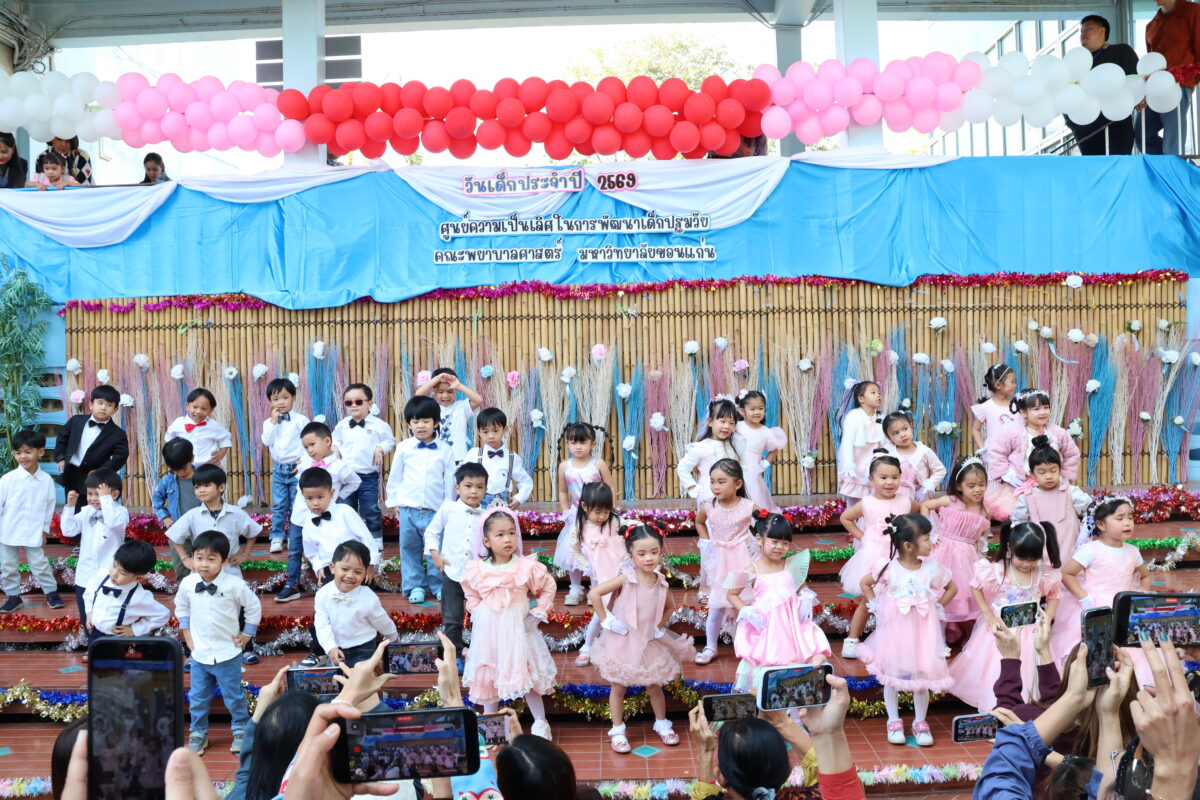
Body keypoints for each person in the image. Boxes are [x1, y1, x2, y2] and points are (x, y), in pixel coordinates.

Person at [589, 523, 694, 753]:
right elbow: (595, 593)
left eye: (654, 552)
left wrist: (659, 626)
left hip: (648, 640)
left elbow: (669, 607)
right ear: (631, 554)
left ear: (661, 552)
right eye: (642, 553)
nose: (649, 558)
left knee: (654, 685)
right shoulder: (626, 578)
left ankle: (661, 723)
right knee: (618, 686)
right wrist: (606, 619)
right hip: (623, 640)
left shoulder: (661, 581)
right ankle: (618, 729)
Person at [858, 514, 956, 746]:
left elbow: (952, 588)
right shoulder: (889, 568)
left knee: (922, 675)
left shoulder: (932, 568)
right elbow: (865, 583)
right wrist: (876, 606)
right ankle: (893, 720)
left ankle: (920, 721)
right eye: (926, 538)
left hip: (923, 634)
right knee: (892, 675)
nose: (931, 542)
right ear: (908, 545)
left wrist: (937, 606)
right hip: (896, 633)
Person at [461, 507, 557, 740]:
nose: (508, 539)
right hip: (489, 634)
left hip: (519, 632)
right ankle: (491, 726)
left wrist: (538, 612)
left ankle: (540, 722)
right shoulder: (477, 569)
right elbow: (470, 593)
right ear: (486, 541)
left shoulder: (525, 566)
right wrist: (477, 610)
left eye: (512, 533)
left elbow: (548, 586)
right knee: (489, 676)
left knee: (528, 674)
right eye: (500, 534)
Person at [948, 521, 1062, 712]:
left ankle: (1025, 710)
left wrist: (1047, 618)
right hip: (1002, 632)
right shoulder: (997, 571)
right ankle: (999, 709)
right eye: (1022, 558)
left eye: (1033, 559)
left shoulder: (1042, 574)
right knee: (998, 668)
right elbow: (975, 586)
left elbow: (1054, 595)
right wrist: (987, 613)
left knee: (1029, 669)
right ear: (1010, 549)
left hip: (1030, 632)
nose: (1026, 564)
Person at [164, 464, 261, 662]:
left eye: (206, 485)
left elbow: (253, 531)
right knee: (199, 610)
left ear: (221, 487)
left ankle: (245, 648)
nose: (201, 490)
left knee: (238, 608)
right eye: (197, 486)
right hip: (202, 571)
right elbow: (174, 535)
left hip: (229, 570)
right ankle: (195, 652)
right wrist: (185, 558)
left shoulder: (235, 513)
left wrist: (245, 553)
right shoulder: (192, 515)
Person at [177, 530, 262, 755]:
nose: (204, 564)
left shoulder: (234, 584)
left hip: (227, 653)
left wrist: (247, 634)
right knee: (197, 697)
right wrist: (186, 632)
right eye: (199, 558)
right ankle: (198, 733)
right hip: (200, 653)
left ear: (224, 561)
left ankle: (240, 729)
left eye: (211, 559)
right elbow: (181, 607)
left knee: (233, 696)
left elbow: (253, 607)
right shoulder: (188, 583)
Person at [728, 511, 830, 692]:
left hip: (791, 622)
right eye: (774, 542)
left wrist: (806, 594)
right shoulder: (752, 569)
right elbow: (731, 594)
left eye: (785, 543)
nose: (779, 547)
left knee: (795, 655)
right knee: (769, 657)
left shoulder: (791, 565)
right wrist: (746, 610)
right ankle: (765, 700)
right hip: (767, 624)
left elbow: (800, 584)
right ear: (759, 539)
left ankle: (794, 702)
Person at [838, 451, 918, 658]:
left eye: (894, 477)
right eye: (883, 477)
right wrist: (863, 536)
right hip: (875, 556)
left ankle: (896, 642)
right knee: (868, 602)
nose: (889, 482)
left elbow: (921, 511)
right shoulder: (867, 502)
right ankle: (852, 640)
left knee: (900, 599)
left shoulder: (905, 501)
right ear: (872, 478)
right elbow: (846, 518)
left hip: (901, 556)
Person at [1053, 496, 1149, 663]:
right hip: (1096, 606)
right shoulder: (1091, 550)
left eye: (1130, 517)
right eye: (1120, 518)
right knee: (1095, 652)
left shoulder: (1133, 551)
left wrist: (1142, 597)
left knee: (1128, 651)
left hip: (1124, 607)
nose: (1127, 523)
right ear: (1101, 525)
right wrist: (1084, 599)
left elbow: (1145, 575)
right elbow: (1066, 573)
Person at [385, 396, 455, 605]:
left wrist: (448, 507)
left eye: (425, 421)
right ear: (409, 424)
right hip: (408, 509)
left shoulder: (445, 450)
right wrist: (394, 501)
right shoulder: (404, 448)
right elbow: (395, 476)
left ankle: (439, 586)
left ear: (436, 422)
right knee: (409, 549)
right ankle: (415, 585)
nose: (420, 426)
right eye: (415, 421)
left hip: (435, 511)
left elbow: (449, 480)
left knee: (436, 549)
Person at [693, 458, 759, 666]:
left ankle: (750, 646)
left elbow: (765, 521)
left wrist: (757, 541)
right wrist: (706, 542)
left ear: (738, 484)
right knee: (716, 606)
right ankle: (710, 646)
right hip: (719, 560)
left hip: (742, 559)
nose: (715, 486)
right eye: (712, 481)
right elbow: (699, 522)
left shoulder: (748, 506)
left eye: (721, 482)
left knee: (745, 604)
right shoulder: (708, 506)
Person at [924, 456, 995, 640]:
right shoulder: (950, 500)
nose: (978, 489)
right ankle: (935, 636)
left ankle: (961, 633)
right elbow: (925, 506)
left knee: (965, 593)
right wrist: (930, 532)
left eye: (982, 484)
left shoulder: (985, 509)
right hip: (943, 552)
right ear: (959, 485)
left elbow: (984, 531)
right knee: (941, 589)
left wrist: (981, 546)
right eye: (971, 486)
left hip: (968, 557)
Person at [985, 388, 1080, 521]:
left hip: (1050, 482)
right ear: (1023, 412)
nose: (1043, 412)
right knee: (1025, 517)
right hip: (1021, 484)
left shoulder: (1057, 432)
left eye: (1046, 407)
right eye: (1036, 409)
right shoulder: (1013, 432)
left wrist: (1063, 476)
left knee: (1052, 516)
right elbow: (996, 452)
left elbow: (1072, 454)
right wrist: (1010, 475)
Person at [425, 462, 490, 654]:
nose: (473, 491)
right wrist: (435, 555)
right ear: (457, 488)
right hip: (452, 574)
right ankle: (454, 657)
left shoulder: (487, 516)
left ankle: (480, 654)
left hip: (478, 576)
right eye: (468, 486)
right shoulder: (448, 509)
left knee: (480, 616)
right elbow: (431, 532)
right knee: (452, 619)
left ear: (486, 490)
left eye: (479, 487)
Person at [0, 429, 63, 614]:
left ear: (40, 452)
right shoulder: (7, 480)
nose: (23, 456)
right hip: (8, 530)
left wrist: (44, 530)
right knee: (8, 566)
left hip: (34, 530)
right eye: (18, 452)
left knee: (39, 564)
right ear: (13, 454)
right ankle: (13, 597)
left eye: (28, 452)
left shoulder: (46, 481)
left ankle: (51, 593)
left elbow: (49, 507)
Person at [311, 540, 398, 668]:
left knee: (364, 678)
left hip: (364, 648)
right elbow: (321, 625)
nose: (350, 576)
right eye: (345, 569)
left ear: (365, 573)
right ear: (332, 567)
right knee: (338, 678)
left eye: (358, 572)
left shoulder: (368, 597)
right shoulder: (323, 594)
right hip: (336, 649)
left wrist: (392, 636)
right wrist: (330, 648)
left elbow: (381, 619)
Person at [556, 421, 615, 605]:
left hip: (597, 516)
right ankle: (575, 589)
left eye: (583, 442)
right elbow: (563, 491)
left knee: (595, 550)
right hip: (576, 515)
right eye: (573, 442)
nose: (578, 447)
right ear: (567, 443)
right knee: (573, 551)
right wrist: (566, 511)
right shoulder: (565, 466)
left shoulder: (598, 464)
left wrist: (610, 510)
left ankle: (595, 588)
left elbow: (610, 488)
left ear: (592, 444)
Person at [1064, 15, 1140, 155]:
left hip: (1117, 120)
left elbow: (1135, 80)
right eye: (1081, 32)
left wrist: (1139, 99)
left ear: (1102, 30)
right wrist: (1074, 125)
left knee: (1119, 162)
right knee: (1094, 165)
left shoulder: (1121, 51)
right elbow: (1065, 91)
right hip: (1086, 126)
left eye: (1088, 29)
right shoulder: (1076, 61)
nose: (1083, 34)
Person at [60, 469, 128, 624]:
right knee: (86, 618)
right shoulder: (86, 512)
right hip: (85, 576)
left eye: (98, 494)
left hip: (109, 577)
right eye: (90, 494)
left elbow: (112, 522)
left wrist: (105, 500)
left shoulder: (120, 512)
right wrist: (70, 507)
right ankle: (90, 639)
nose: (93, 499)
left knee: (107, 618)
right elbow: (68, 530)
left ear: (114, 495)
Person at [1010, 435, 1092, 562]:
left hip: (1072, 556)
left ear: (1060, 470)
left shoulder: (1071, 492)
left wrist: (1084, 535)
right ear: (1032, 474)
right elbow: (1019, 524)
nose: (1048, 476)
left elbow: (1091, 511)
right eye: (1042, 472)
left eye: (1053, 471)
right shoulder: (1026, 498)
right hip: (1039, 560)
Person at [572, 482, 626, 667]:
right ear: (584, 506)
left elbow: (627, 536)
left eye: (606, 511)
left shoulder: (614, 522)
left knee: (623, 608)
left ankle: (620, 646)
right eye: (597, 512)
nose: (602, 516)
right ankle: (587, 647)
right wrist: (587, 565)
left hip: (621, 572)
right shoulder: (580, 528)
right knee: (601, 611)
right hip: (600, 576)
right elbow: (575, 550)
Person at [332, 382, 395, 542]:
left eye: (358, 401)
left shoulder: (379, 425)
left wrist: (380, 448)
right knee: (346, 507)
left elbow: (390, 440)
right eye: (349, 402)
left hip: (368, 476)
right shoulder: (342, 425)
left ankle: (375, 536)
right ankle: (349, 537)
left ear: (370, 403)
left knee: (370, 508)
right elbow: (335, 439)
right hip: (346, 476)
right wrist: (335, 447)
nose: (353, 405)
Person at [53, 384, 128, 511]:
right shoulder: (76, 421)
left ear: (115, 410)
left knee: (93, 510)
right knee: (72, 507)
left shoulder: (118, 433)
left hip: (95, 477)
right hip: (72, 472)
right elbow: (62, 438)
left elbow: (120, 457)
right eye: (100, 403)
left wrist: (101, 471)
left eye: (109, 405)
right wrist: (60, 457)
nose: (103, 408)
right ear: (91, 404)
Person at [1141, 0, 1200, 155]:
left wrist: (1190, 81)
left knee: (1173, 139)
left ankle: (1173, 166)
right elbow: (1151, 60)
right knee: (1142, 134)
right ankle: (1171, 165)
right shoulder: (1151, 25)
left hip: (1178, 85)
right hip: (1154, 87)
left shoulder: (1193, 11)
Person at [82, 540, 168, 644]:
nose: (114, 574)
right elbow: (89, 592)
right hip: (94, 634)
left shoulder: (139, 596)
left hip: (117, 640)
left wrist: (134, 630)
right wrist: (89, 612)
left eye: (122, 573)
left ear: (138, 578)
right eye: (114, 566)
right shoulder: (102, 576)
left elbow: (162, 615)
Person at [261, 377, 309, 557]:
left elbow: (309, 442)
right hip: (279, 469)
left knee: (297, 504)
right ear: (270, 401)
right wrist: (273, 422)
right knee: (279, 505)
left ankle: (294, 536)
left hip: (297, 469)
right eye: (275, 399)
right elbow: (267, 441)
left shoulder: (301, 420)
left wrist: (304, 461)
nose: (280, 402)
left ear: (293, 398)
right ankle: (277, 536)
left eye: (285, 397)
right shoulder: (268, 423)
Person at [462, 408, 533, 508]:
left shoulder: (512, 458)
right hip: (477, 505)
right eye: (485, 432)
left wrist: (519, 498)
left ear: (505, 429)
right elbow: (461, 478)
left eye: (495, 431)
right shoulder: (474, 454)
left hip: (503, 504)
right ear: (479, 432)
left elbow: (526, 481)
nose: (491, 436)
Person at [152, 439, 202, 581]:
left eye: (183, 469)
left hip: (202, 530)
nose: (180, 473)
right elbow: (157, 500)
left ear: (192, 459)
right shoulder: (167, 481)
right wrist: (165, 517)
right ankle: (183, 592)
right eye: (175, 470)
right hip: (178, 531)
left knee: (205, 565)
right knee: (181, 568)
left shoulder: (203, 478)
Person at [416, 367, 484, 464]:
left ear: (455, 390)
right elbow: (418, 396)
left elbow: (478, 400)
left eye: (450, 391)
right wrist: (436, 379)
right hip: (436, 458)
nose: (445, 396)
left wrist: (459, 385)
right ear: (433, 390)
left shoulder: (462, 406)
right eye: (440, 392)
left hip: (458, 458)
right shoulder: (431, 407)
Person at [734, 390, 787, 511]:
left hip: (752, 470)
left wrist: (766, 462)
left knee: (753, 495)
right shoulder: (737, 427)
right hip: (734, 466)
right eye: (752, 409)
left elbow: (775, 449)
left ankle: (755, 519)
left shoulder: (766, 432)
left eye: (760, 408)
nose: (757, 412)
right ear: (742, 410)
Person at [835, 381, 884, 503]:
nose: (878, 395)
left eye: (879, 393)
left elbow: (885, 442)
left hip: (874, 461)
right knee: (855, 496)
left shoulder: (882, 417)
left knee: (873, 499)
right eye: (873, 392)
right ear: (861, 399)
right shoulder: (854, 416)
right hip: (857, 461)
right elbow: (847, 442)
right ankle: (851, 514)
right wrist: (848, 463)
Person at [882, 411, 945, 501]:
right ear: (889, 437)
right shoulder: (889, 452)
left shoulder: (923, 451)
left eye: (905, 429)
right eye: (896, 433)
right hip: (896, 495)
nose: (902, 435)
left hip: (919, 495)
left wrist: (929, 485)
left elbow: (940, 470)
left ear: (911, 426)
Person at [165, 388, 232, 466]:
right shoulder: (179, 423)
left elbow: (225, 438)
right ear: (187, 406)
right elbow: (169, 437)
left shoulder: (212, 425)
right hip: (184, 465)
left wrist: (222, 452)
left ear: (211, 410)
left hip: (208, 465)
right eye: (195, 407)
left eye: (204, 409)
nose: (198, 411)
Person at [970, 363, 1018, 455]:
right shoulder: (986, 407)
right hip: (994, 456)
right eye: (1012, 382)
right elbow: (975, 429)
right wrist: (983, 449)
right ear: (998, 385)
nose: (1015, 385)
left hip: (1015, 454)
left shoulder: (1016, 405)